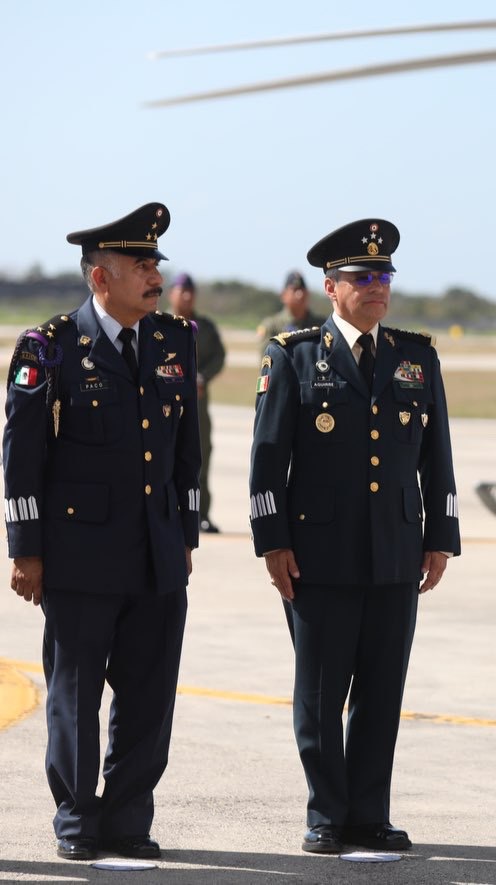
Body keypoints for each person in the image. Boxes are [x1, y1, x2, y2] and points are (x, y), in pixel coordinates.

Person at [249, 218, 460, 855]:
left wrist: (440, 534)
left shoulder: (415, 356)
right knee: (319, 695)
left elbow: (437, 457)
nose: (377, 287)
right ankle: (326, 813)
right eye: (363, 277)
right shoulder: (294, 356)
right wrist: (272, 541)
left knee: (381, 690)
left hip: (395, 552)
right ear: (331, 287)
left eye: (384, 276)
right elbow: (266, 459)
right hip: (320, 555)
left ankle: (370, 813)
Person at [3, 203, 200, 861]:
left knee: (149, 698)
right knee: (75, 695)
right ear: (100, 278)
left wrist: (187, 536)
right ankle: (78, 819)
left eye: (155, 265)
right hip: (79, 558)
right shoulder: (50, 345)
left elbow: (185, 451)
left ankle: (128, 818)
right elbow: (20, 456)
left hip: (156, 556)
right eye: (140, 266)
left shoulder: (175, 340)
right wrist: (25, 550)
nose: (154, 275)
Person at [166, 273, 225, 533]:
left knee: (200, 456)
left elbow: (219, 356)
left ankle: (200, 513)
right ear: (172, 294)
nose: (187, 296)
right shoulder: (158, 323)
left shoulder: (205, 327)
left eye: (190, 291)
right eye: (182, 291)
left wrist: (203, 377)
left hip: (198, 406)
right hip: (165, 404)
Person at [256, 270, 324, 355]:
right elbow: (267, 361)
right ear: (283, 295)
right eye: (295, 290)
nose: (300, 294)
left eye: (302, 290)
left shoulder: (322, 325)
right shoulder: (272, 326)